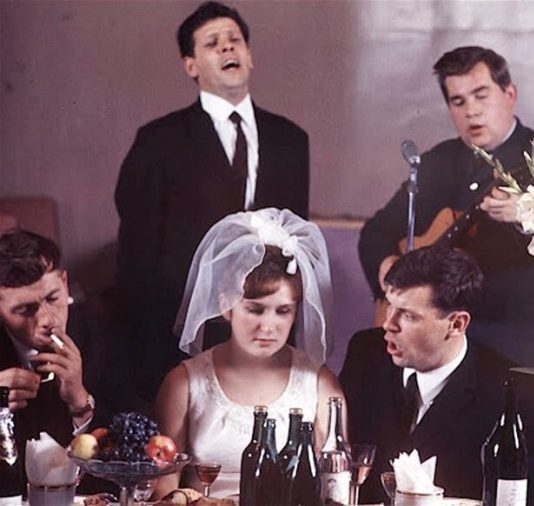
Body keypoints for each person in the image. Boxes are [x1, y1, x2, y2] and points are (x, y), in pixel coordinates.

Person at [115, 1, 309, 404]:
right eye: (212, 43)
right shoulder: (158, 140)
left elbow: (294, 241)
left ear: (249, 56)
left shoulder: (291, 140)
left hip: (263, 327)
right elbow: (137, 255)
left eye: (234, 40)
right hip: (180, 329)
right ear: (191, 65)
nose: (227, 48)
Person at [359, 46, 534, 370]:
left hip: (517, 343)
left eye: (481, 96)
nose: (472, 111)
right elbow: (375, 233)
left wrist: (527, 214)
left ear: (510, 94)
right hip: (440, 346)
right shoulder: (438, 162)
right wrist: (393, 279)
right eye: (458, 101)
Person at [153, 208, 342, 498]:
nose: (268, 326)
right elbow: (164, 490)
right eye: (255, 310)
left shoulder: (320, 385)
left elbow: (335, 488)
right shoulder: (184, 384)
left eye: (283, 311)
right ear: (225, 305)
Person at [340, 245, 534, 504]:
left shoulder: (519, 399)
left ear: (457, 324)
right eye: (389, 305)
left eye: (408, 315)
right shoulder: (364, 354)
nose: (388, 324)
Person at [0, 230, 114, 495]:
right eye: (24, 310)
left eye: (53, 298)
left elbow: (129, 464)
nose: (46, 320)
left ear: (64, 281)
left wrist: (81, 404)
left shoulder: (104, 337)